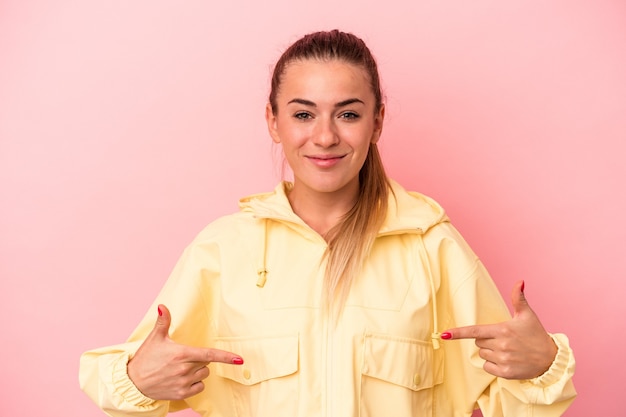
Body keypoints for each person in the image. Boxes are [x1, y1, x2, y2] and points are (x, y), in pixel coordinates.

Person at [79, 29, 576, 417]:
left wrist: (539, 370)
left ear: (377, 122)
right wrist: (137, 379)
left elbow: (510, 404)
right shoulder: (223, 251)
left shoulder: (433, 247)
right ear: (273, 122)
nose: (324, 137)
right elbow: (117, 385)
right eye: (302, 114)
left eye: (348, 114)